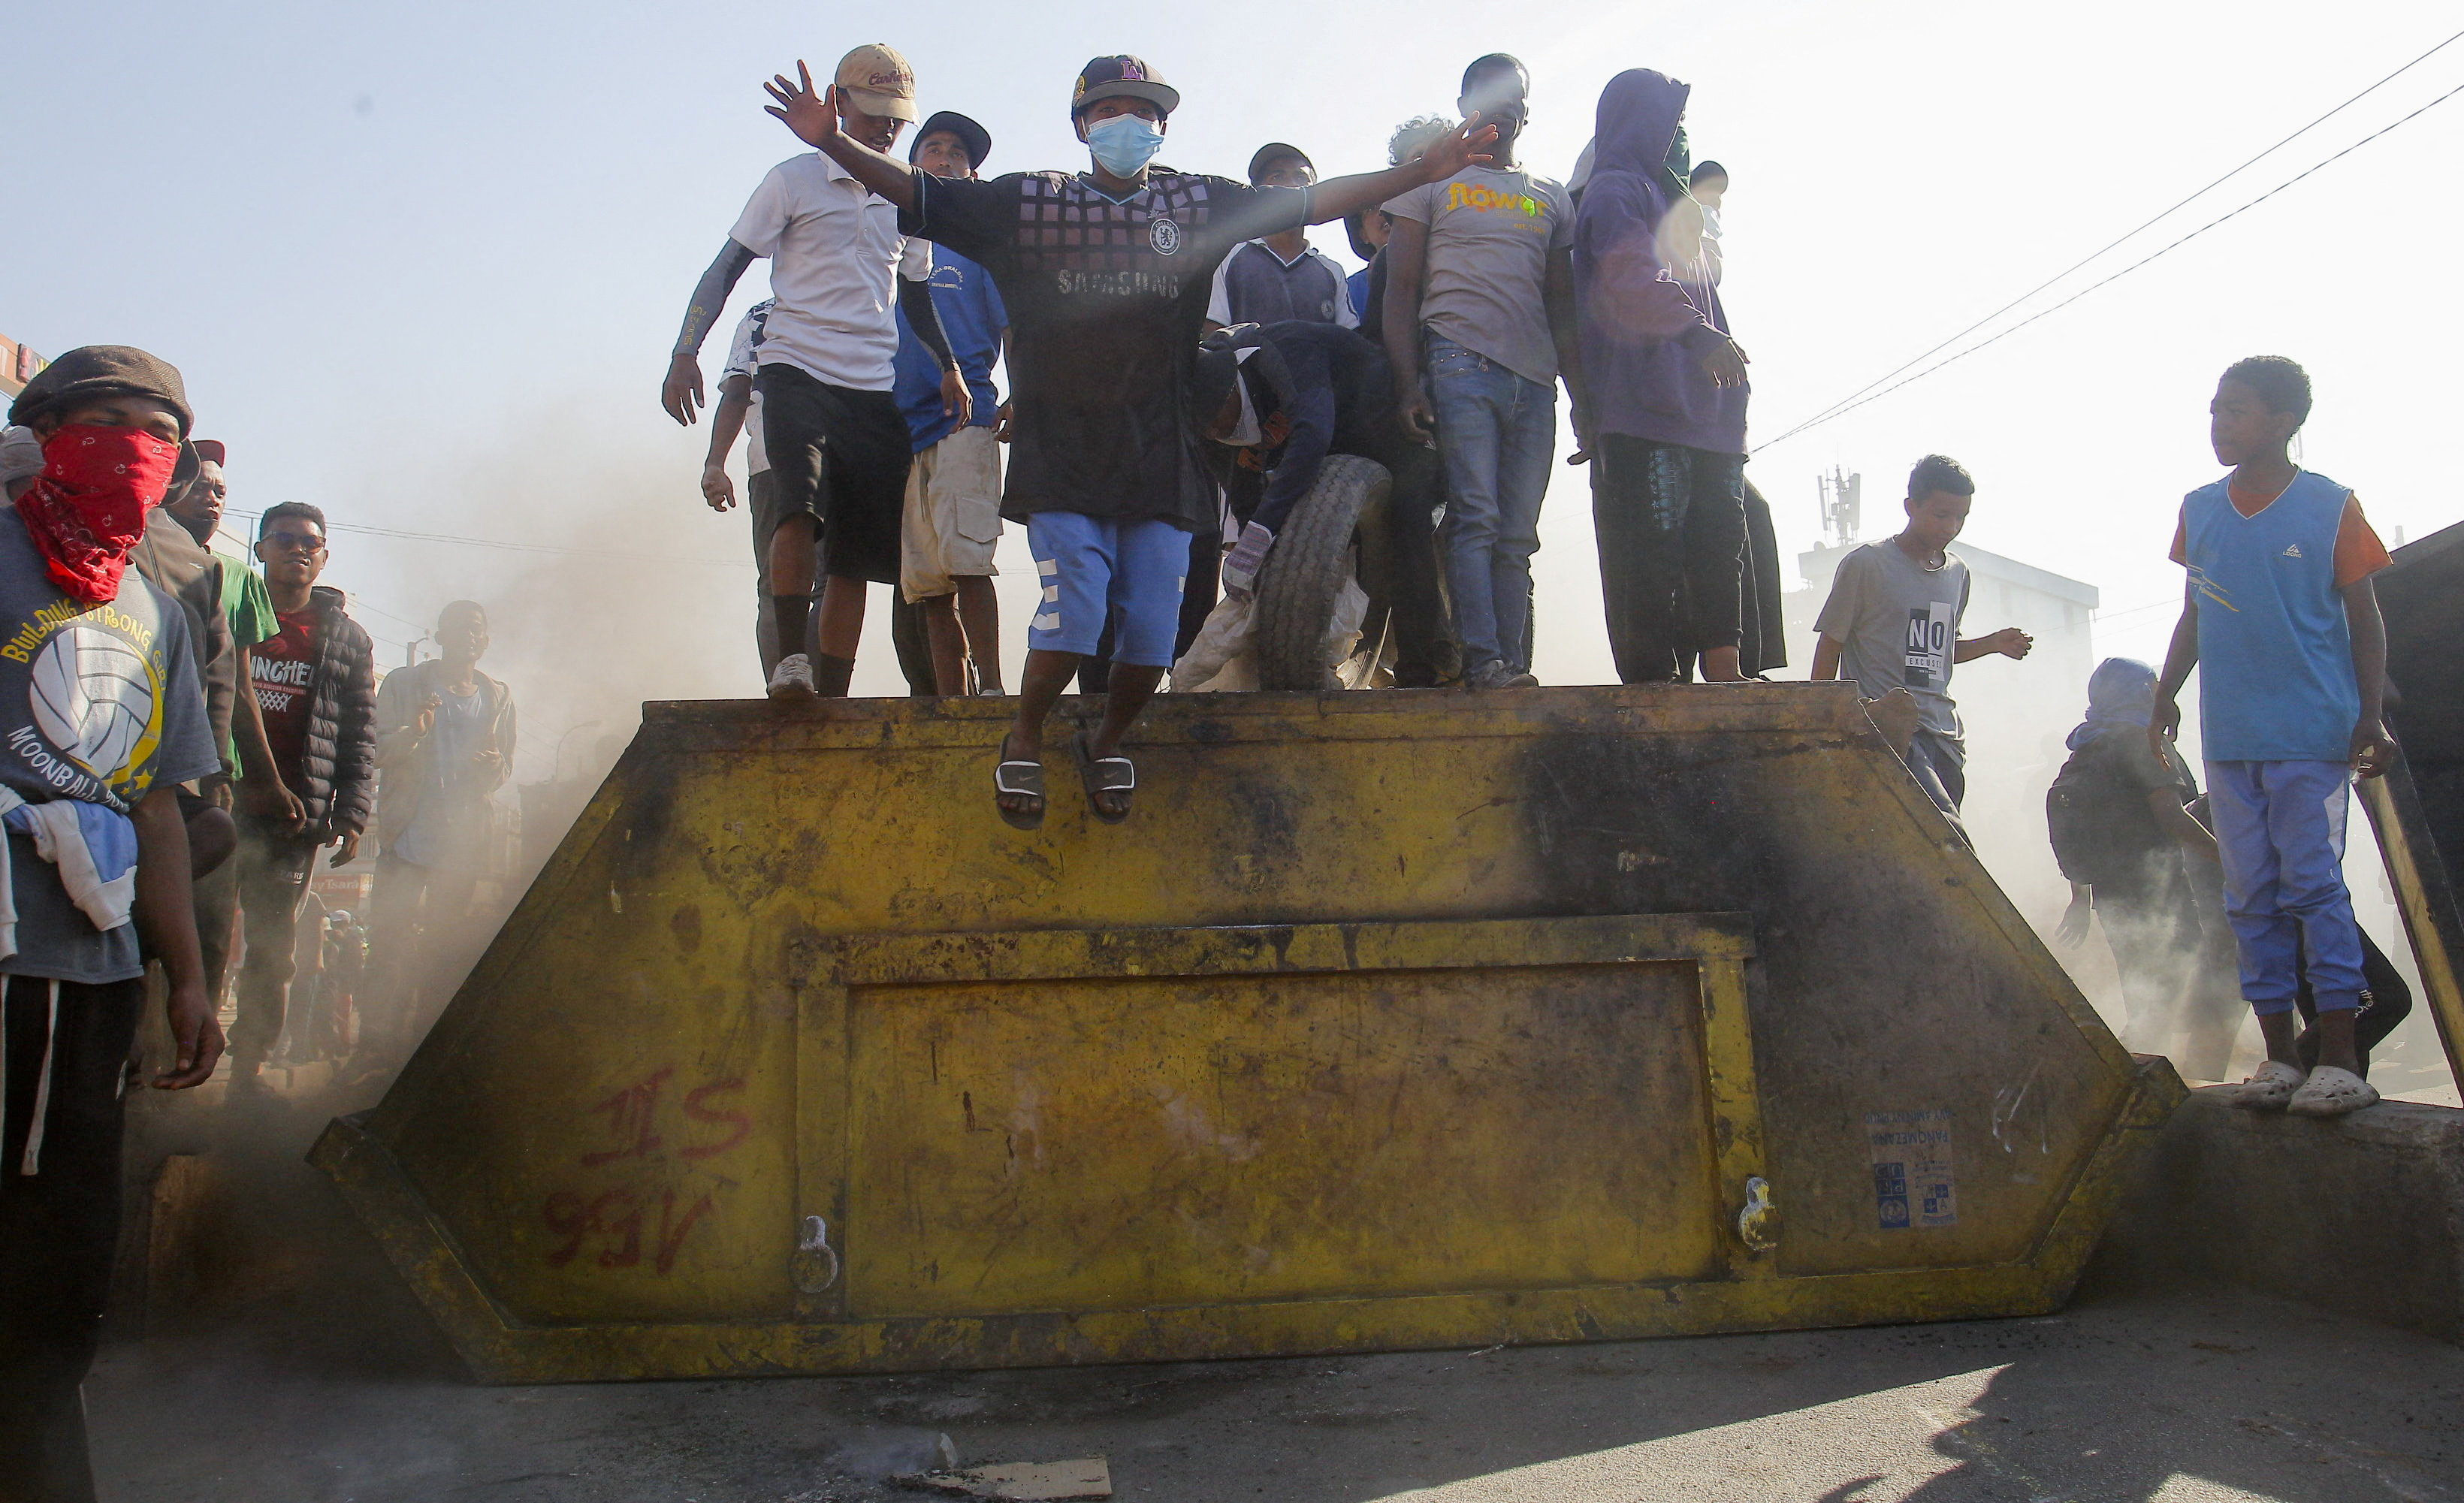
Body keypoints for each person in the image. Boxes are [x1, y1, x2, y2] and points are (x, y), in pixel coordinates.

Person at [762, 51, 1501, 822]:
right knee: (1077, 611)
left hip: (1161, 457)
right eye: (1111, 111)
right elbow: (914, 191)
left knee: (1151, 636)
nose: (1128, 125)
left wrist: (1422, 169)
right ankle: (1021, 738)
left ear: (1163, 127)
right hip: (1065, 456)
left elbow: (1315, 202)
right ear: (1083, 125)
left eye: (1144, 112)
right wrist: (831, 142)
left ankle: (1109, 738)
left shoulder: (1197, 204)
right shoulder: (1026, 204)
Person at [0, 346, 222, 1501]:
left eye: (162, 431)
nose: (139, 448)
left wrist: (183, 977)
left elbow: (161, 806)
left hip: (93, 976)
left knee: (68, 1245)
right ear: (42, 431)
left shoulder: (156, 606)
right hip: (4, 961)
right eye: (112, 421)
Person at [663, 43, 959, 699]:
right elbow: (726, 267)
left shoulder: (908, 200)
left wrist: (948, 366)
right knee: (797, 512)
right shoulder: (793, 179)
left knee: (859, 554)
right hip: (795, 370)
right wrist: (687, 351)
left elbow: (914, 292)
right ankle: (789, 663)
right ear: (840, 102)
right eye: (874, 109)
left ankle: (831, 688)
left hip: (872, 387)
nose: (886, 126)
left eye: (897, 116)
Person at [2150, 355, 2393, 1118]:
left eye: (2237, 411)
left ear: (2282, 423)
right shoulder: (2200, 509)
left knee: (2313, 890)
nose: (2219, 423)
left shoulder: (2329, 507)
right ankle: (2279, 1057)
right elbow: (2193, 612)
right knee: (2249, 897)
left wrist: (2368, 714)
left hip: (2310, 737)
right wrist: (2163, 694)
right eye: (2215, 409)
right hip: (2230, 740)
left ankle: (2340, 1058)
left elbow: (2365, 619)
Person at [1382, 55, 1585, 690]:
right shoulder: (1430, 183)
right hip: (1458, 362)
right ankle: (1484, 661)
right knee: (1476, 516)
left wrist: (1582, 399)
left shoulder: (1549, 195)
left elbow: (1561, 305)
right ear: (1466, 102)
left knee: (1518, 534)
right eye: (1488, 93)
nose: (1502, 105)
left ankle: (1513, 667)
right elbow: (1401, 288)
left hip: (1535, 382)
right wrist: (1407, 382)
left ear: (1527, 109)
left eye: (1513, 96)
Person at [1575, 68, 1753, 686]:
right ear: (1640, 123)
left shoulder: (1679, 210)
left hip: (1708, 409)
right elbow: (1627, 276)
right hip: (1644, 407)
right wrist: (1699, 334)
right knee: (1648, 550)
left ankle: (1725, 667)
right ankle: (1655, 684)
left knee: (1718, 539)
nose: (1681, 138)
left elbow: (1707, 290)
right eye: (1674, 123)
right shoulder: (1614, 191)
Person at [1182, 320, 1450, 687]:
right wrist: (1254, 553)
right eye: (1205, 430)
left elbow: (1313, 433)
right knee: (1296, 537)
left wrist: (1263, 528)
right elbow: (1244, 494)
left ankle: (1422, 671)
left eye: (1216, 421)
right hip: (1336, 456)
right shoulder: (1205, 423)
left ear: (1231, 390)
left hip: (1391, 427)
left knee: (1407, 527)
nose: (1215, 433)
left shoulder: (1282, 349)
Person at [224, 503, 377, 1094]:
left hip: (294, 819)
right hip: (218, 807)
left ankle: (248, 1071)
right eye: (284, 539)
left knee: (273, 951)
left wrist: (353, 812)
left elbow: (360, 732)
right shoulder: (231, 611)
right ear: (260, 550)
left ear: (325, 555)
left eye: (310, 542)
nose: (298, 549)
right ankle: (176, 1060)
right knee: (203, 940)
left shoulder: (345, 638)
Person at [1810, 454, 2034, 818]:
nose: (1951, 527)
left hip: (1943, 735)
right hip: (1886, 729)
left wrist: (1992, 644)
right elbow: (1831, 640)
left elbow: (1941, 651)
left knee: (1928, 847)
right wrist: (1820, 716)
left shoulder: (1957, 574)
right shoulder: (1868, 564)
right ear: (1911, 507)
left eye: (1961, 517)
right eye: (1941, 515)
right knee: (1945, 834)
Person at [361, 601, 515, 1071]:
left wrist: (493, 768)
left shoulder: (499, 696)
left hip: (462, 845)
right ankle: (373, 1050)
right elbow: (379, 751)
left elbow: (504, 765)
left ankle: (424, 1051)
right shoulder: (405, 684)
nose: (468, 636)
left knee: (444, 948)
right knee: (387, 945)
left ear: (485, 642)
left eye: (477, 630)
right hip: (407, 836)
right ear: (440, 634)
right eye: (458, 627)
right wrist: (415, 730)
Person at [2049, 658, 2218, 1052]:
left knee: (2146, 993)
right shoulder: (2143, 741)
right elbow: (2173, 819)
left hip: (2113, 895)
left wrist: (2080, 898)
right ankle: (2185, 1083)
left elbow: (2080, 824)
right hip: (2167, 890)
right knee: (2205, 991)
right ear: (2144, 692)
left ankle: (2142, 1072)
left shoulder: (2087, 746)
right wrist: (2234, 863)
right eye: (2156, 684)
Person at [896, 110, 1010, 696]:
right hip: (897, 429)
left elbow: (1013, 328)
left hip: (966, 419)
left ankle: (991, 692)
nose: (944, 159)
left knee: (968, 562)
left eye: (958, 154)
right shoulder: (887, 236)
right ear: (911, 164)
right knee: (925, 583)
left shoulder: (981, 248)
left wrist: (1027, 393)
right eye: (933, 148)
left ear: (970, 175)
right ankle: (950, 700)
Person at [1207, 146, 1359, 331]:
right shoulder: (1229, 257)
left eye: (1301, 177)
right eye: (1277, 177)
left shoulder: (1331, 271)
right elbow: (1213, 333)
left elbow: (1350, 339)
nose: (1292, 185)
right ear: (1259, 193)